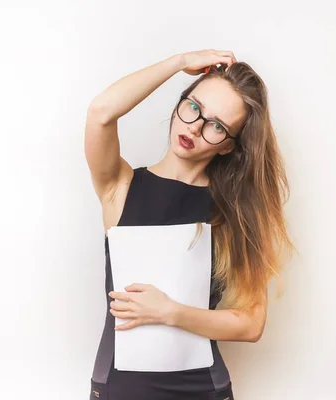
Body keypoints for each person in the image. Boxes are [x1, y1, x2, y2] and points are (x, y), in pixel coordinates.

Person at [84, 49, 294, 400]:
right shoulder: (120, 187)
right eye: (194, 107)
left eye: (216, 126)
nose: (194, 127)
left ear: (229, 146)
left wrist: (171, 312)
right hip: (118, 389)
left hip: (202, 390)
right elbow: (101, 112)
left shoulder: (236, 213)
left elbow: (251, 324)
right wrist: (178, 63)